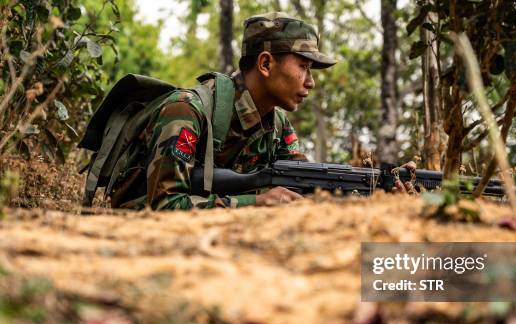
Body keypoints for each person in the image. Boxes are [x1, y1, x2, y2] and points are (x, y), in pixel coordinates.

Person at [110, 12, 414, 210]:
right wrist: (253, 203)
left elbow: (309, 191)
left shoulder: (278, 124)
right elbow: (165, 207)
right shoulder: (187, 112)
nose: (311, 82)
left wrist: (378, 193)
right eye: (305, 67)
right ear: (266, 64)